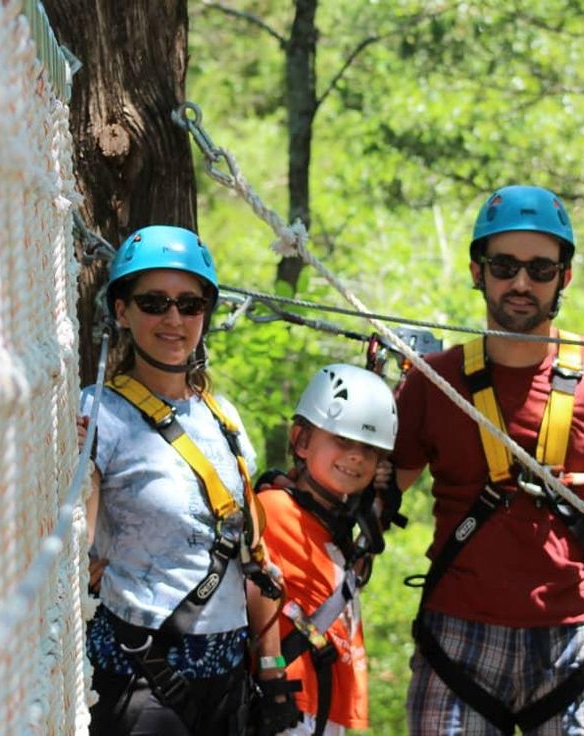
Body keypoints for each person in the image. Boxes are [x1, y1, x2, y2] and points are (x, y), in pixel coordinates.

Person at [393, 185, 584, 735]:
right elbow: (378, 496)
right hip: (459, 634)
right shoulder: (435, 381)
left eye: (540, 269)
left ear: (564, 277)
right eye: (504, 266)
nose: (521, 283)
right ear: (478, 271)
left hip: (575, 639)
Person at [81, 225, 284, 736]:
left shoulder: (225, 418)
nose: (173, 318)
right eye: (154, 302)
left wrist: (271, 668)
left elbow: (253, 557)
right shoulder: (96, 412)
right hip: (142, 679)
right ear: (122, 311)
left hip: (229, 681)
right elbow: (73, 537)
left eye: (189, 305)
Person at [249, 363, 399, 736]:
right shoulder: (275, 509)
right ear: (301, 441)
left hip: (322, 700)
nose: (356, 457)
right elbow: (258, 589)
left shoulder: (335, 524)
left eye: (369, 450)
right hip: (291, 701)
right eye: (342, 441)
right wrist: (271, 675)